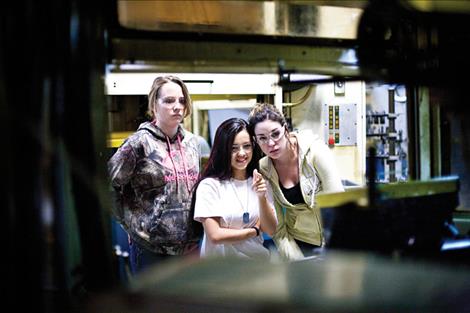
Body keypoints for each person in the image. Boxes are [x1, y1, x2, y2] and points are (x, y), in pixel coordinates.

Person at [108, 75, 201, 274]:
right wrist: (132, 225)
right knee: (154, 305)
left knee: (189, 304)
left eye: (181, 100)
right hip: (151, 250)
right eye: (169, 100)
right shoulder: (138, 143)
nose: (177, 106)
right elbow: (109, 185)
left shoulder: (193, 143)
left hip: (190, 247)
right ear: (154, 104)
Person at [248, 103, 344, 260]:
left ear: (285, 128)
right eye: (263, 138)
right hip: (297, 243)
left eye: (275, 134)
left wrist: (332, 252)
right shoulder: (264, 168)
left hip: (332, 242)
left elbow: (339, 208)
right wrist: (296, 260)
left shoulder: (316, 152)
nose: (271, 143)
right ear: (255, 140)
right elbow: (278, 229)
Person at [192, 118, 277, 259]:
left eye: (247, 146)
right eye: (234, 148)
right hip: (221, 272)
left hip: (256, 266)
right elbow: (215, 235)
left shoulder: (261, 182)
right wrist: (254, 230)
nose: (242, 153)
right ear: (223, 150)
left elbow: (271, 229)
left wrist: (262, 197)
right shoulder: (210, 186)